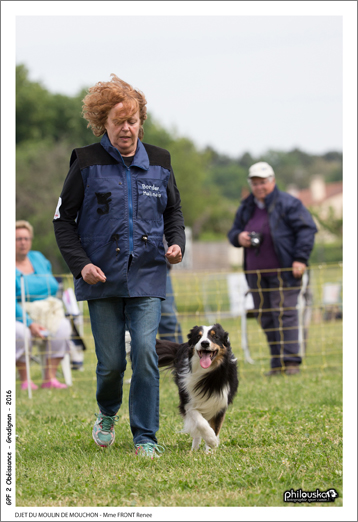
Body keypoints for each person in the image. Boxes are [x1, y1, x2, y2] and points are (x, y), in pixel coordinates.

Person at [53, 74, 185, 458]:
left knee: (145, 351)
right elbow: (63, 221)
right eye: (117, 122)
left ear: (141, 120)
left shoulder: (160, 161)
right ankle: (108, 413)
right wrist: (82, 265)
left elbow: (174, 211)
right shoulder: (86, 162)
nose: (126, 129)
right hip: (102, 275)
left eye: (132, 120)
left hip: (147, 273)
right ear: (103, 124)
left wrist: (176, 243)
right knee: (110, 363)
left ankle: (145, 436)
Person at [228, 162, 317, 376]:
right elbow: (233, 233)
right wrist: (239, 237)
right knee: (265, 316)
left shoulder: (289, 204)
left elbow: (307, 230)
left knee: (285, 314)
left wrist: (300, 258)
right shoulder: (246, 206)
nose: (259, 187)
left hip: (285, 271)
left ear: (273, 181)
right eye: (255, 183)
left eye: (263, 182)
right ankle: (277, 362)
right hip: (256, 275)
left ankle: (291, 362)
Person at [16, 220, 71, 389]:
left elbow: (52, 286)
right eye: (18, 239)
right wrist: (30, 323)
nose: (23, 242)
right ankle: (25, 379)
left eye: (26, 238)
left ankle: (50, 378)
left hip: (45, 310)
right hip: (18, 314)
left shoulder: (38, 257)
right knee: (20, 333)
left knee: (62, 327)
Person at [158, 237, 183, 344]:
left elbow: (174, 222)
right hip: (117, 262)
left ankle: (178, 359)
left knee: (168, 319)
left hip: (158, 263)